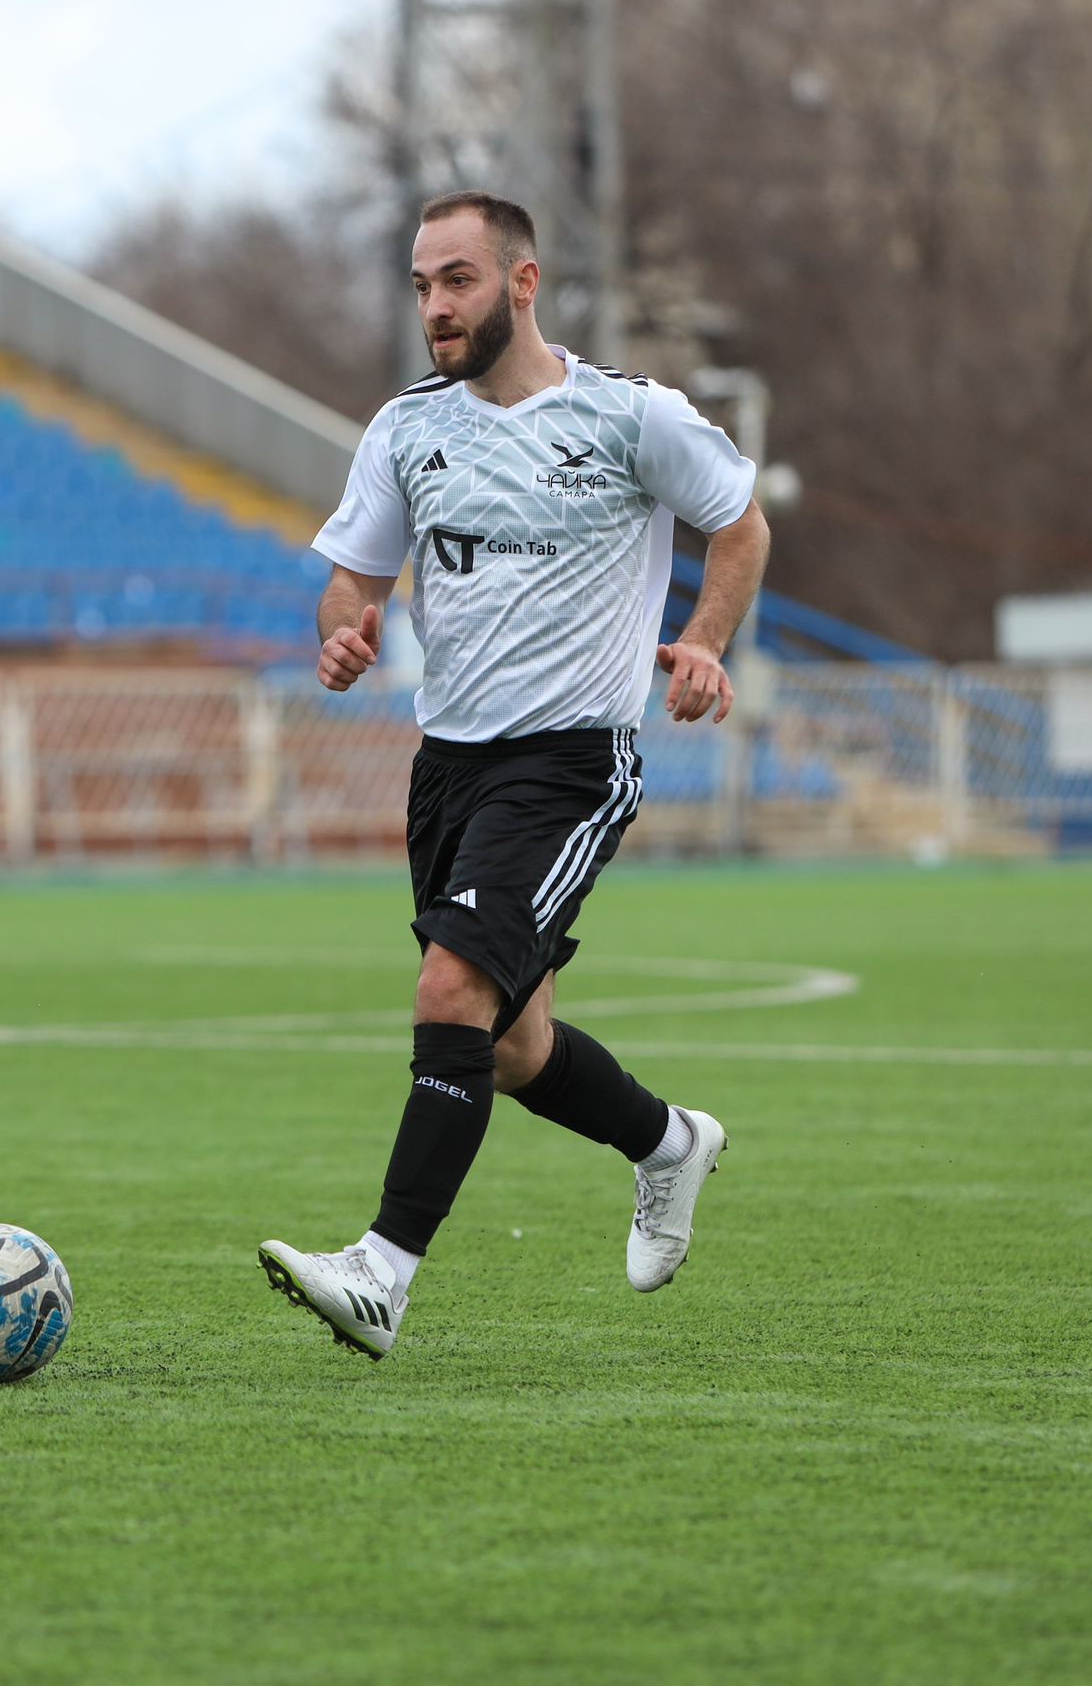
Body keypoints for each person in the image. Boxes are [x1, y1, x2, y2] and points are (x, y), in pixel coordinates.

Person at [256, 192, 772, 1358]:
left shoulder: (628, 417)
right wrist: (349, 627)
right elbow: (353, 574)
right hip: (447, 769)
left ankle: (382, 1273)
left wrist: (704, 641)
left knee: (450, 993)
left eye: (457, 281)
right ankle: (666, 1143)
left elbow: (739, 525)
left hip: (571, 762)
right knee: (509, 1045)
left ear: (522, 282)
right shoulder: (402, 430)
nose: (435, 306)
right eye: (422, 285)